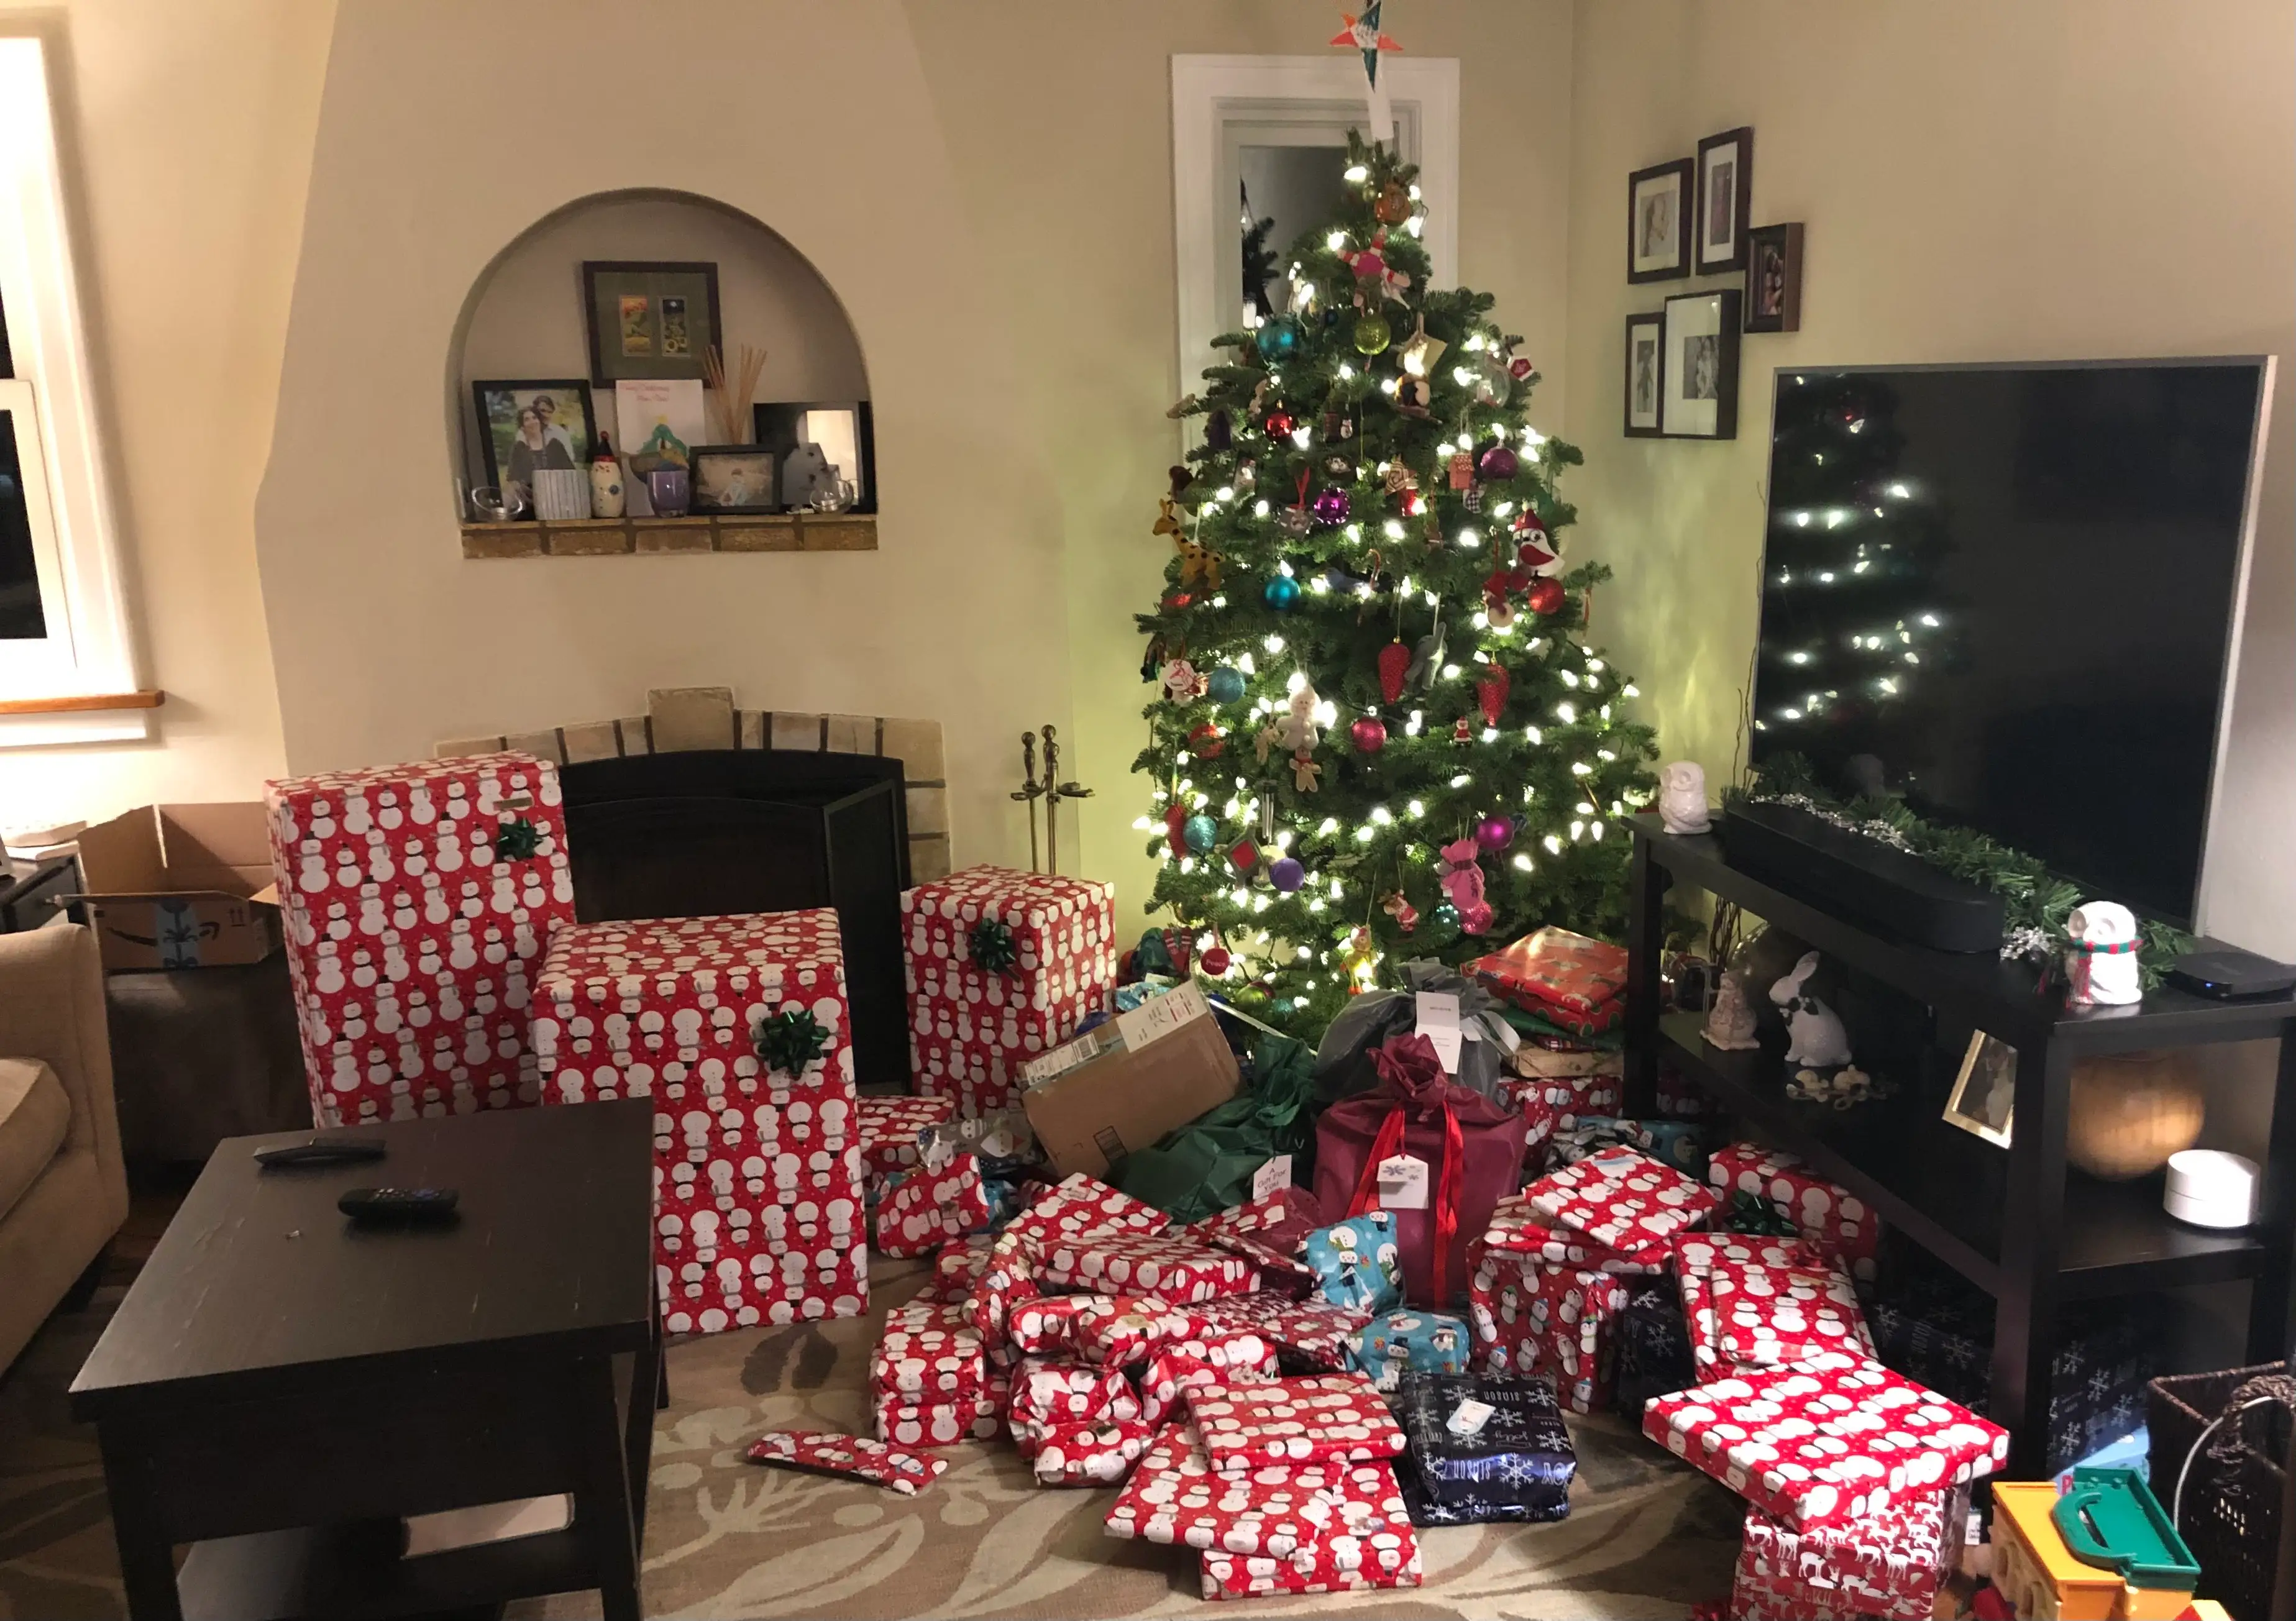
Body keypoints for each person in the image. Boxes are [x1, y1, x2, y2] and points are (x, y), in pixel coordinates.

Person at [504, 405, 572, 494]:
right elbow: (512, 480)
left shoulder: (555, 445)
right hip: (529, 498)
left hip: (558, 495)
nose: (532, 422)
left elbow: (570, 473)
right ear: (522, 427)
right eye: (527, 420)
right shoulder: (519, 448)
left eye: (534, 418)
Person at [531, 394, 579, 462]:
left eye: (550, 412)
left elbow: (570, 459)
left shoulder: (560, 433)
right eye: (543, 411)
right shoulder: (524, 432)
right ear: (534, 411)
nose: (547, 415)